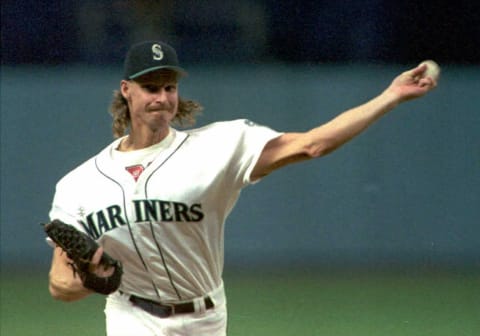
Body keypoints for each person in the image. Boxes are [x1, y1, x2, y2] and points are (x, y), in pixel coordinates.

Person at [46, 40, 438, 336]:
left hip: (204, 318)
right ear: (126, 90)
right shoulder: (80, 184)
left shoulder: (219, 145)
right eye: (151, 87)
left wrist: (391, 97)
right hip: (130, 316)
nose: (162, 97)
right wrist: (92, 280)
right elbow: (59, 285)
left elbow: (313, 144)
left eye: (169, 87)